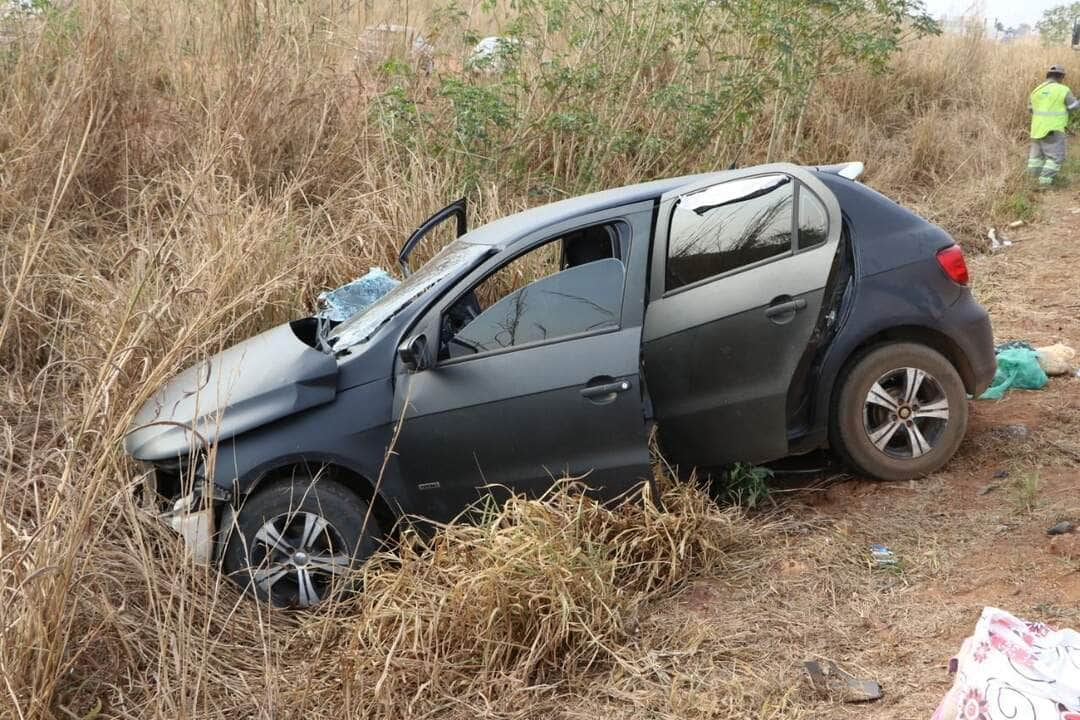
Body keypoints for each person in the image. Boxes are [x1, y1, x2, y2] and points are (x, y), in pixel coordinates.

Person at [1028, 64, 1080, 187]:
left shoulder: (1036, 90)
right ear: (1061, 76)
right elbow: (1073, 107)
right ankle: (1044, 184)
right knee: (1055, 158)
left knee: (1035, 159)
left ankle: (1030, 182)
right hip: (1054, 129)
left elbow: (1030, 109)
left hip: (1036, 129)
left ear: (1048, 76)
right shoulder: (1063, 90)